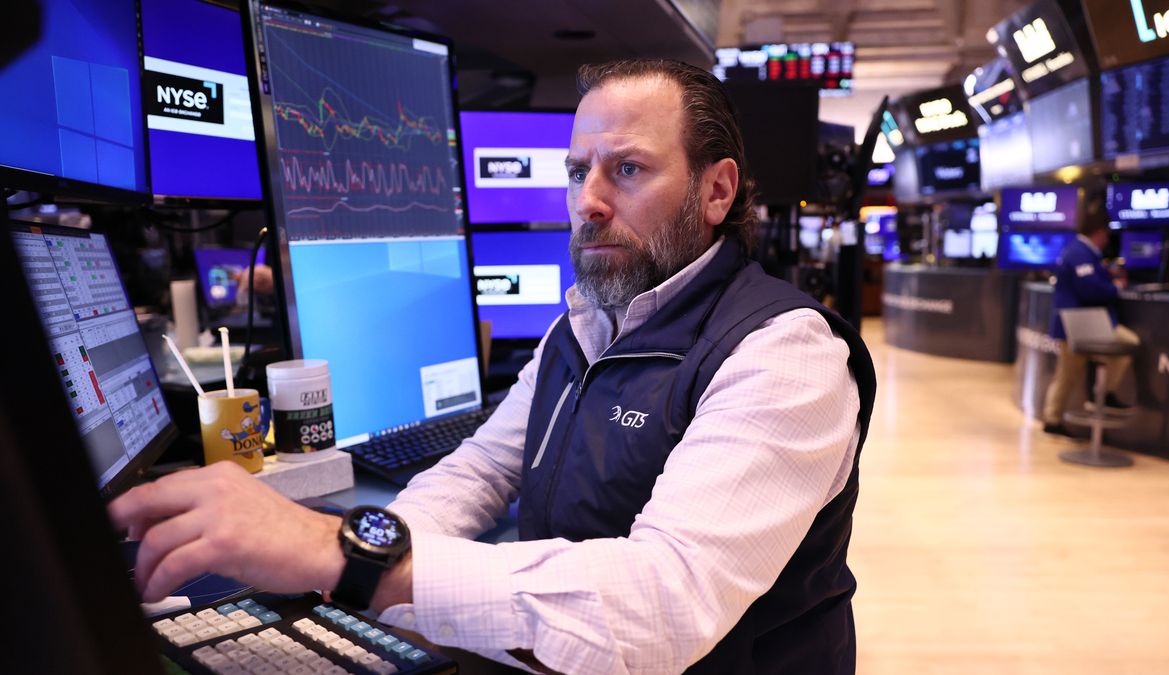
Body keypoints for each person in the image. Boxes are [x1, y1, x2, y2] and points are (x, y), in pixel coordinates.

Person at [110, 59, 875, 674]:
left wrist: (341, 555)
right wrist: (358, 548)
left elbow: (662, 606)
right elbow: (477, 473)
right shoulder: (581, 327)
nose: (590, 202)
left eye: (629, 170)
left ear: (717, 191)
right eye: (579, 172)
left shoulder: (784, 353)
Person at [1042, 194, 1139, 438]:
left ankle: (1056, 417)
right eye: (1106, 234)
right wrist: (1114, 288)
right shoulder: (1080, 253)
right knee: (1127, 344)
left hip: (1081, 324)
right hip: (1081, 325)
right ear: (1099, 231)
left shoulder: (1081, 252)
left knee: (1067, 375)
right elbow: (1089, 289)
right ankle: (1101, 396)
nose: (1107, 240)